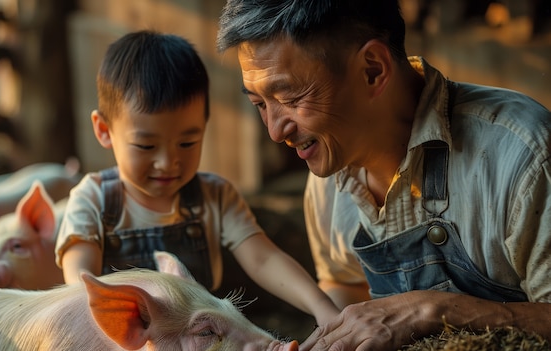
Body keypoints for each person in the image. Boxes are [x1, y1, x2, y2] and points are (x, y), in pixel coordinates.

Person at [216, 1, 551, 350]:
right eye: (259, 104)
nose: (274, 131)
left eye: (289, 97)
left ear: (373, 70)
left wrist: (433, 310)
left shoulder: (521, 154)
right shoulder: (327, 183)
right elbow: (344, 287)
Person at [55, 30, 339, 328]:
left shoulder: (215, 196)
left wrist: (321, 306)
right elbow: (80, 286)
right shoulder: (92, 200)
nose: (168, 162)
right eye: (146, 146)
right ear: (103, 129)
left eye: (187, 143)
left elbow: (263, 260)